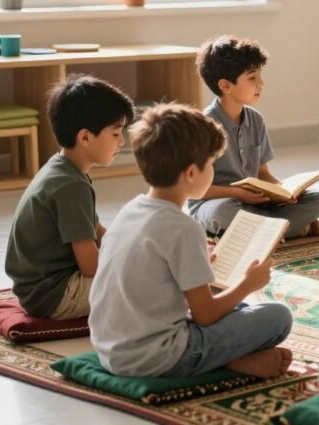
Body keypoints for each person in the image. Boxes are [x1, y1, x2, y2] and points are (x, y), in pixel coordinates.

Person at [89, 103, 293, 378]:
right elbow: (205, 315)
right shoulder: (184, 228)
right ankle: (231, 361)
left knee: (240, 308)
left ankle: (233, 358)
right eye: (211, 164)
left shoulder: (130, 210)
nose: (213, 171)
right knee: (277, 316)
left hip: (109, 351)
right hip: (158, 357)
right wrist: (249, 284)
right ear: (191, 173)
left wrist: (199, 265)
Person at [5, 75, 134, 319]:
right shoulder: (70, 186)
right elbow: (91, 266)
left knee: (137, 264)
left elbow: (96, 230)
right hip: (55, 295)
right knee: (146, 281)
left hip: (39, 288)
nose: (122, 141)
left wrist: (129, 247)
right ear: (85, 137)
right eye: (116, 133)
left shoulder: (64, 168)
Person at [188, 35, 319, 238]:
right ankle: (287, 229)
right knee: (224, 212)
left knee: (318, 199)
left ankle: (261, 232)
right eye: (252, 78)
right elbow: (196, 191)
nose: (261, 83)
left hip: (254, 204)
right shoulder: (203, 126)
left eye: (259, 75)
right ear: (225, 86)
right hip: (217, 203)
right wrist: (238, 194)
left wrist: (284, 192)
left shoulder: (256, 120)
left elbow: (263, 175)